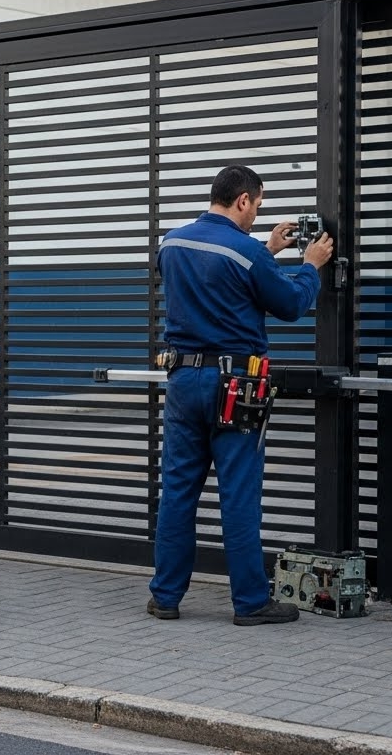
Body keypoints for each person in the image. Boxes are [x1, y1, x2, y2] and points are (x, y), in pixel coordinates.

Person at [147, 164, 334, 626]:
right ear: (243, 200)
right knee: (238, 495)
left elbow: (215, 278)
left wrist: (266, 248)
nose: (257, 216)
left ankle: (165, 597)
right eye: (258, 206)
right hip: (235, 388)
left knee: (177, 493)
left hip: (183, 381)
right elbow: (290, 305)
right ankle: (250, 602)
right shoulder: (247, 254)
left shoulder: (171, 243)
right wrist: (310, 265)